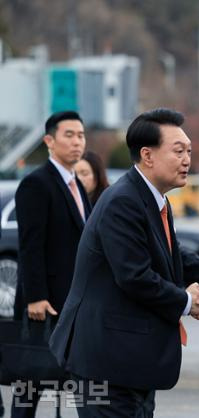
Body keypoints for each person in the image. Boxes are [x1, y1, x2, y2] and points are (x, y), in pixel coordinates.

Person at [49, 108, 199, 417]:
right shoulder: (123, 201)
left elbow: (175, 257)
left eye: (189, 150)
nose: (188, 159)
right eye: (178, 151)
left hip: (130, 360)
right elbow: (134, 276)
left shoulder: (152, 197)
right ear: (148, 155)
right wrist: (187, 301)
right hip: (105, 360)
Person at [12, 111, 91, 418]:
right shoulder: (36, 184)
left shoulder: (76, 185)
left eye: (81, 135)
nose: (76, 142)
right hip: (44, 302)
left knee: (67, 376)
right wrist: (35, 296)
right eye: (69, 135)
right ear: (49, 140)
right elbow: (29, 245)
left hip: (72, 300)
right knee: (31, 380)